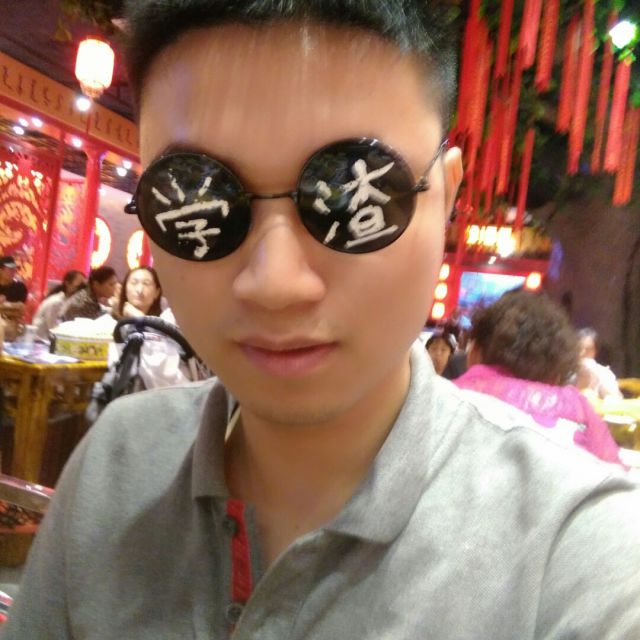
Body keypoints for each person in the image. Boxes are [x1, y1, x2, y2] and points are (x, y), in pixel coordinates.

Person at [4, 2, 640, 638]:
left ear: (445, 195)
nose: (275, 284)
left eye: (349, 201)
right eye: (200, 199)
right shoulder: (115, 466)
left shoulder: (578, 557)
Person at [454, 289, 621, 464]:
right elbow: (613, 470)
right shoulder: (580, 411)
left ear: (474, 353)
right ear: (557, 375)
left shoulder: (448, 399)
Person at [31, 270, 87, 340]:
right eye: (80, 284)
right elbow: (53, 328)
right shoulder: (56, 302)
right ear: (67, 283)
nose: (82, 289)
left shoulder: (66, 300)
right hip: (41, 339)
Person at [576, 327, 623, 400]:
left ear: (595, 351)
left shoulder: (604, 374)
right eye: (579, 349)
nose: (582, 353)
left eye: (588, 349)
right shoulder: (566, 372)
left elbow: (615, 400)